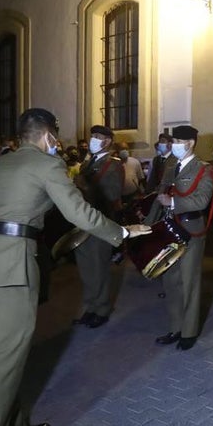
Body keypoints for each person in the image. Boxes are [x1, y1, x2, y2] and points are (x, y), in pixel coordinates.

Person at [0, 108, 150, 426]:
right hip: (10, 266)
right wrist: (122, 233)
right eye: (55, 137)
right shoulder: (47, 164)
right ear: (47, 136)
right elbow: (77, 212)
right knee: (3, 366)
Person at [150, 125, 213, 350]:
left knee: (189, 281)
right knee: (170, 280)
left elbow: (202, 200)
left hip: (191, 228)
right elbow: (160, 194)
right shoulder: (171, 166)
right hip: (170, 228)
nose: (174, 145)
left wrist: (174, 203)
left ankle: (188, 332)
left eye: (179, 141)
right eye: (173, 141)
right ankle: (175, 327)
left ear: (191, 143)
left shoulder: (203, 169)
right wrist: (148, 224)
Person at [72, 125, 125, 328]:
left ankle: (102, 309)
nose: (94, 139)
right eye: (93, 136)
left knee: (99, 267)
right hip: (84, 221)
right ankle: (90, 307)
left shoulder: (112, 164)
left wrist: (86, 188)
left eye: (99, 136)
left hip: (101, 222)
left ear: (108, 141)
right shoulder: (89, 162)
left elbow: (112, 195)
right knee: (86, 269)